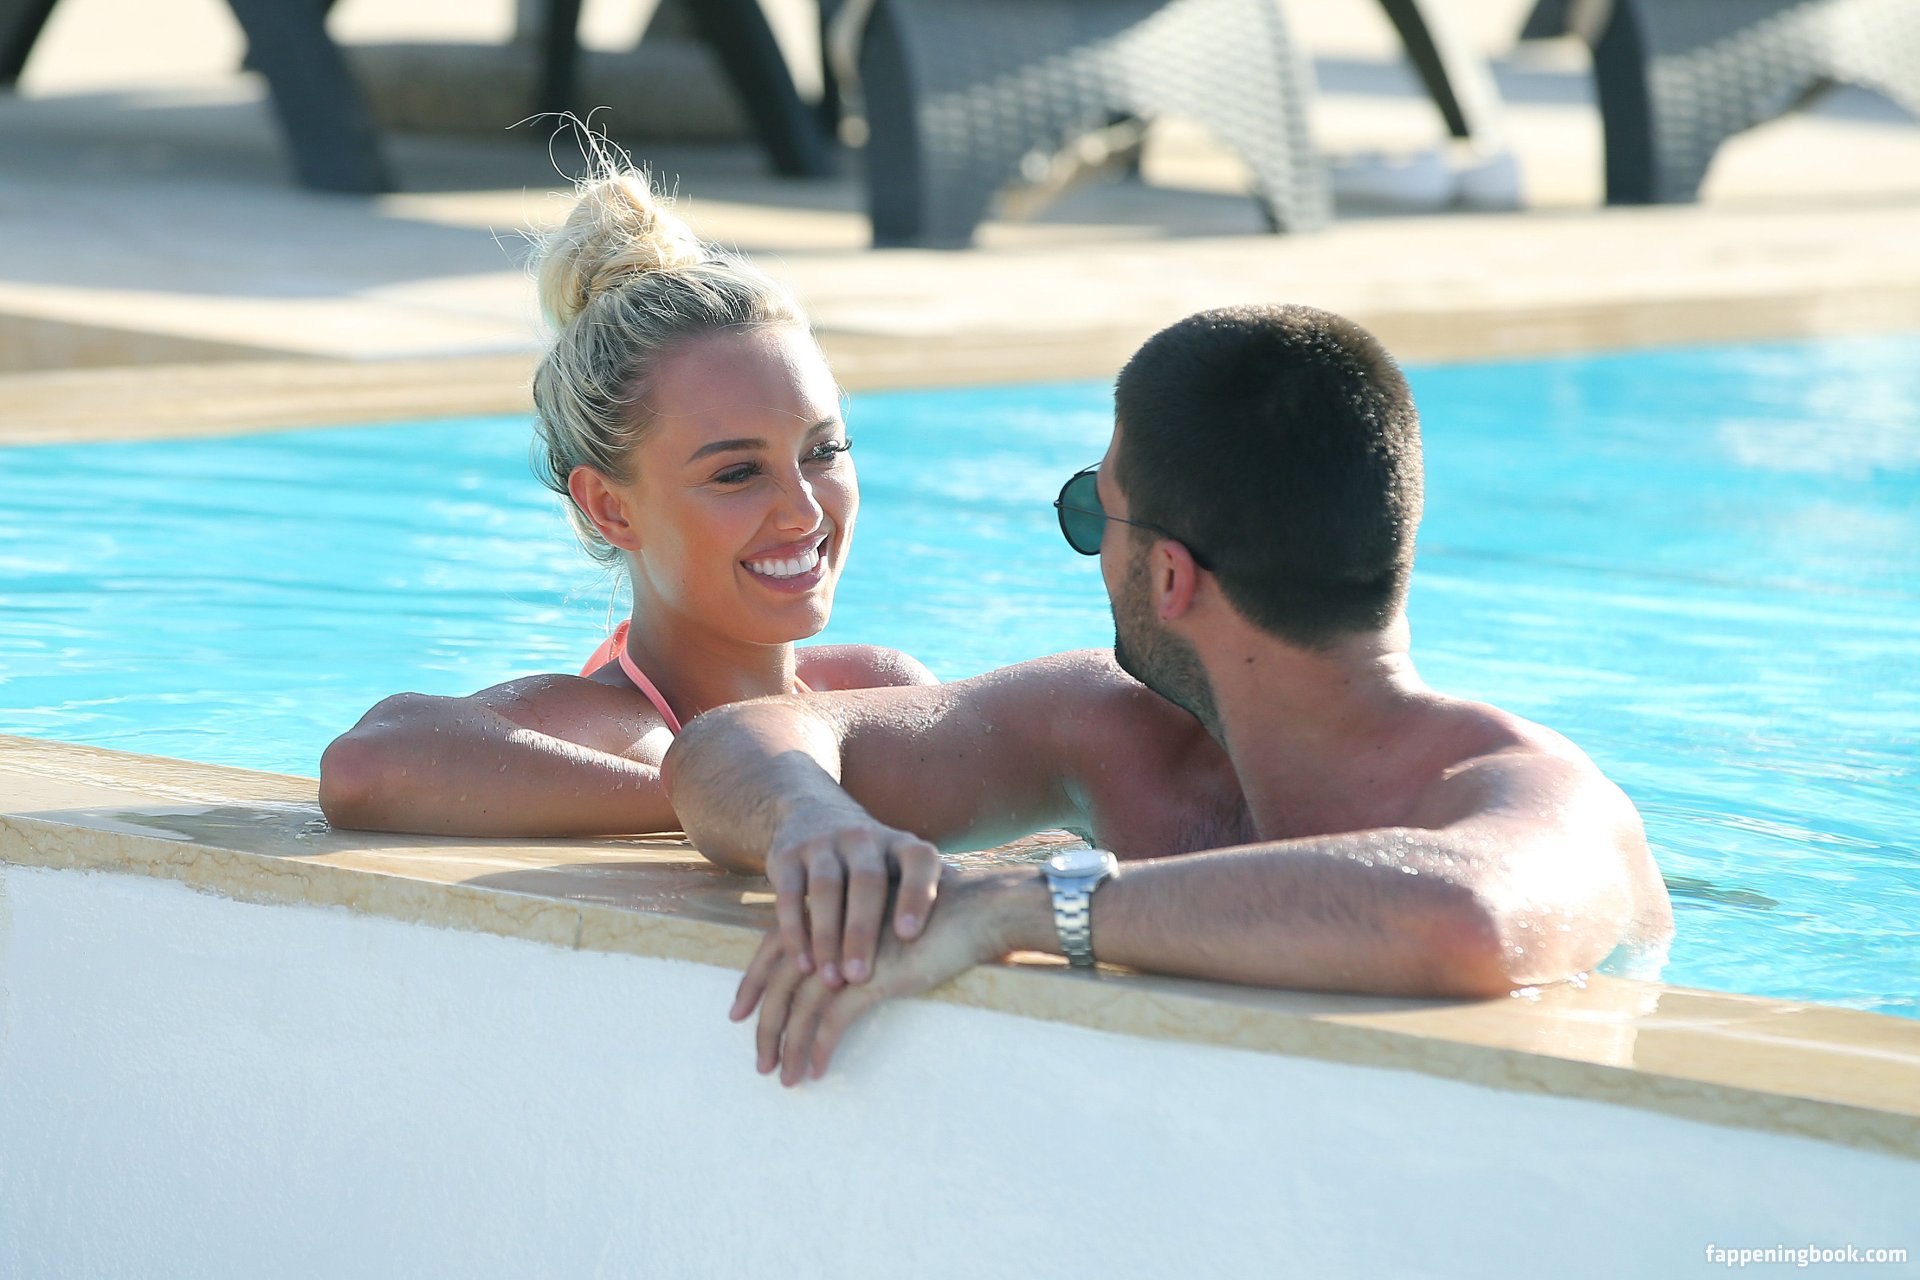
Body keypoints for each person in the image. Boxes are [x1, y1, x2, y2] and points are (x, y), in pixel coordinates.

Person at [662, 304, 1675, 1086]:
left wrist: (1020, 907)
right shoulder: (1117, 731)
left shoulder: (1540, 795)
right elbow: (725, 744)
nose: (1093, 554)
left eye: (1092, 516)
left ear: (1171, 577)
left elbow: (1462, 921)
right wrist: (814, 822)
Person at [318, 165, 932, 837]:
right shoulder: (615, 731)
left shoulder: (877, 689)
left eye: (824, 450)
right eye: (737, 473)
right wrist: (740, 800)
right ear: (610, 507)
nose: (805, 512)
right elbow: (366, 766)